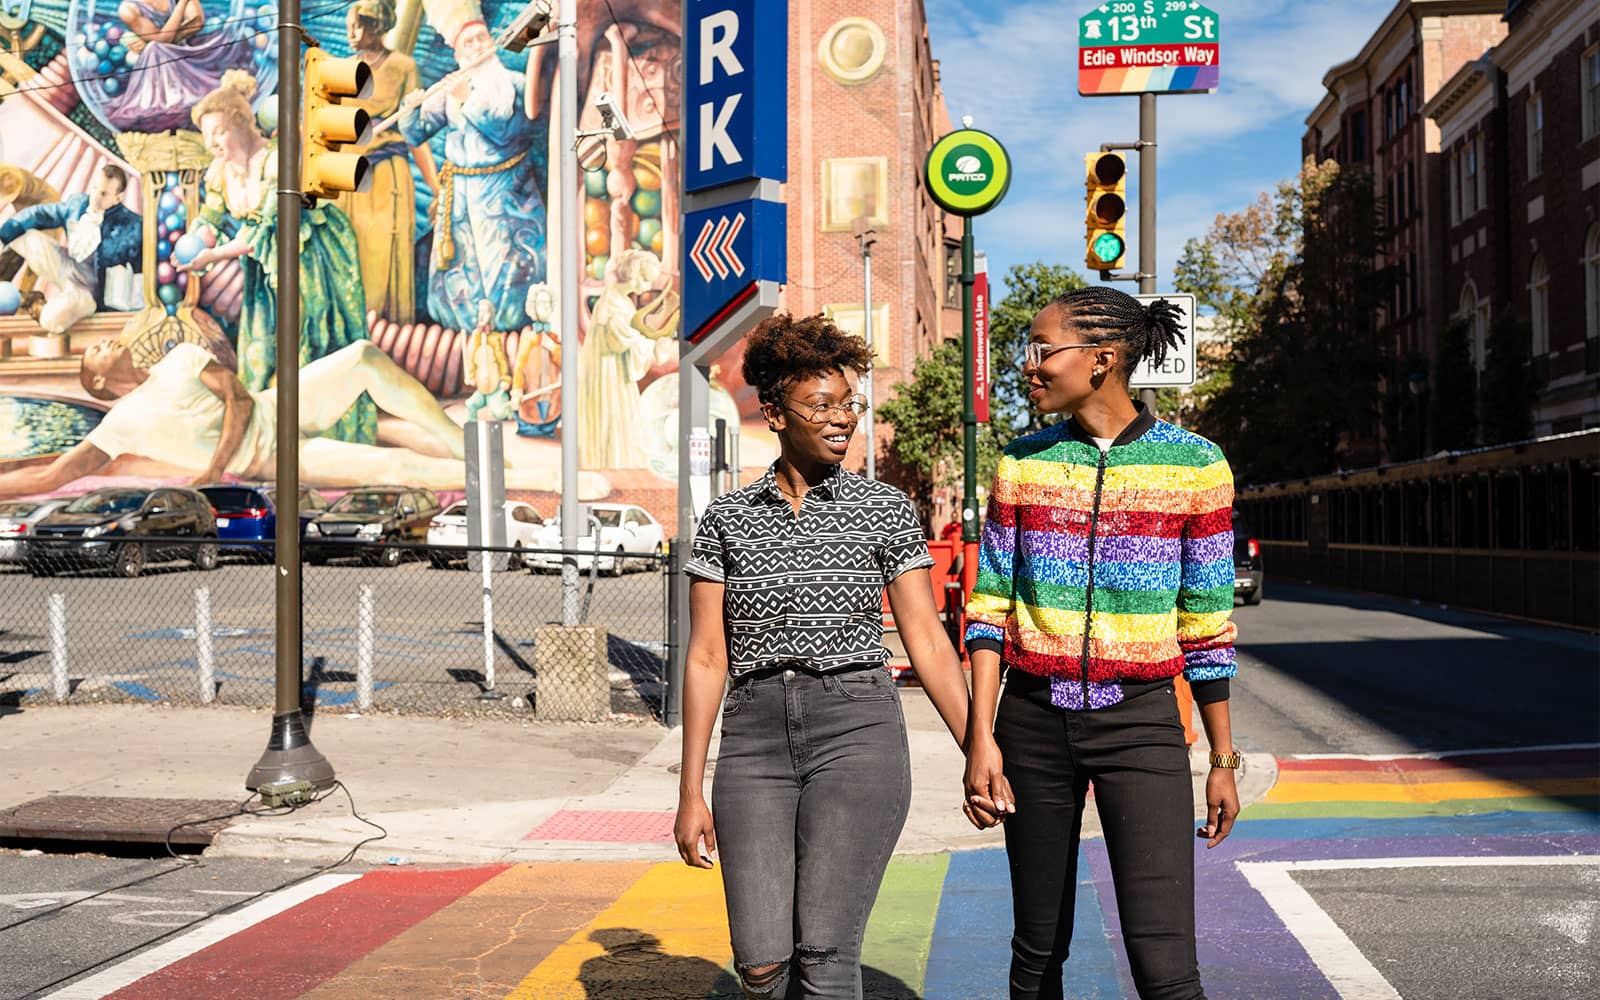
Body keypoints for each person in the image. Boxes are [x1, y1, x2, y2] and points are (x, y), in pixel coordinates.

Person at [674, 314, 988, 1000]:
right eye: (821, 406)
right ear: (776, 413)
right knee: (758, 963)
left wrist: (979, 747)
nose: (842, 418)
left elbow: (928, 639)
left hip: (857, 732)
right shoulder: (727, 519)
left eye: (848, 403)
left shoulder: (884, 510)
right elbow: (704, 658)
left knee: (824, 953)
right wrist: (690, 787)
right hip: (753, 739)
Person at [962, 287, 1241, 1000]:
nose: (1028, 365)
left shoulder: (1196, 465)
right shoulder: (1021, 465)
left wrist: (1222, 760)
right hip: (1029, 725)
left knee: (1164, 964)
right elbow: (988, 613)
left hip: (1141, 724)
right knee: (1037, 953)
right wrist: (980, 741)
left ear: (1102, 360)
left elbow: (1205, 625)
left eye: (1042, 349)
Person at [0, 338, 606, 498]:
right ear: (98, 380)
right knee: (401, 468)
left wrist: (212, 468)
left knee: (365, 359)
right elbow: (52, 475)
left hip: (274, 408)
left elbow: (239, 400)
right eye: (96, 352)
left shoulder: (178, 359)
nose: (108, 344)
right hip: (273, 458)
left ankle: (469, 447)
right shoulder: (117, 425)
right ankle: (553, 482)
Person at [177, 71, 375, 445]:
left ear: (241, 122)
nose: (211, 142)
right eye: (206, 134)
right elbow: (212, 216)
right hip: (264, 272)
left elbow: (266, 229)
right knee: (261, 346)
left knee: (309, 339)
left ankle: (325, 434)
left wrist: (212, 255)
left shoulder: (276, 162)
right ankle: (273, 434)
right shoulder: (221, 174)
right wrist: (197, 240)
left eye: (217, 131)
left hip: (306, 260)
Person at [397, 0, 545, 333]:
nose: (477, 47)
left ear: (491, 42)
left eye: (481, 39)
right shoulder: (451, 89)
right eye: (469, 43)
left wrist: (468, 100)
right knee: (464, 265)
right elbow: (416, 133)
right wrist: (410, 109)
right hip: (461, 194)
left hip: (507, 191)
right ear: (458, 53)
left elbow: (506, 133)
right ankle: (466, 329)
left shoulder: (515, 84)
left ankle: (509, 325)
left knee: (504, 263)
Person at [338, 0, 438, 323]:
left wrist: (437, 188)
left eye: (360, 25)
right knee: (346, 257)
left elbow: (413, 134)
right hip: (346, 179)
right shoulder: (341, 70)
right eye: (349, 25)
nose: (352, 33)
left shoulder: (403, 68)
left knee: (381, 259)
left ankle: (384, 337)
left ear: (378, 26)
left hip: (385, 178)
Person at [0, 164, 142, 334]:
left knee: (52, 319)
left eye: (104, 193)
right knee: (27, 237)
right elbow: (40, 214)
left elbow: (140, 271)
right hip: (65, 265)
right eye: (95, 188)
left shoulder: (132, 226)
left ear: (118, 198)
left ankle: (31, 301)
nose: (95, 197)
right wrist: (5, 234)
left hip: (88, 292)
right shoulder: (77, 204)